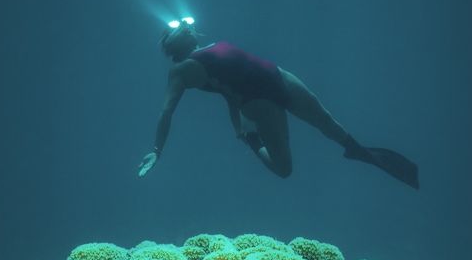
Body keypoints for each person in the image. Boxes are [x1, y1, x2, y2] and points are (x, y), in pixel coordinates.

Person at [137, 19, 419, 188]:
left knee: (325, 120)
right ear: (171, 45)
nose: (183, 26)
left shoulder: (212, 47)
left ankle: (356, 149)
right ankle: (253, 142)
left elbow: (224, 90)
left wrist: (236, 120)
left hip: (278, 77)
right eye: (174, 28)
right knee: (284, 169)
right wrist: (156, 151)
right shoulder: (182, 70)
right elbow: (166, 111)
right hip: (259, 102)